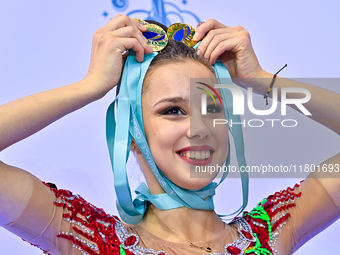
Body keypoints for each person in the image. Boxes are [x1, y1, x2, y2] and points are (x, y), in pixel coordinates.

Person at [0, 14, 339, 255]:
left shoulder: (270, 233)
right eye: (172, 110)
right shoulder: (87, 237)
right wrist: (89, 87)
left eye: (212, 109)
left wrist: (263, 80)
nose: (199, 128)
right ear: (131, 133)